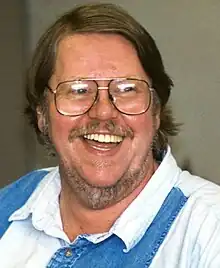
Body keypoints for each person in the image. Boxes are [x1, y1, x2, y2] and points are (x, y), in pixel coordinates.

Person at [0, 3, 220, 267]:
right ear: (42, 115)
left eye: (127, 89)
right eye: (78, 90)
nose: (103, 113)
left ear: (156, 111)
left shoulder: (209, 230)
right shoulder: (9, 207)